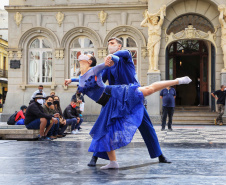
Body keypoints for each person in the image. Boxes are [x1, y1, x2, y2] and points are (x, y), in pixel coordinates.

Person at [64, 54, 192, 169]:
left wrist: (110, 58)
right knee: (104, 132)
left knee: (148, 90)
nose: (82, 55)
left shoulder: (95, 69)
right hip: (108, 104)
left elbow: (108, 64)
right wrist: (71, 80)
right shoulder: (80, 77)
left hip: (116, 94)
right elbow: (82, 80)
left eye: (86, 55)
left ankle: (177, 81)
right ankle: (113, 162)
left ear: (89, 61)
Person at [87, 37, 172, 167]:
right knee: (103, 127)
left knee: (147, 127)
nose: (110, 46)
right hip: (115, 100)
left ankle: (160, 155)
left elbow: (123, 53)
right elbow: (100, 81)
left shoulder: (126, 57)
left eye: (112, 43)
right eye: (109, 44)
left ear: (119, 46)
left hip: (133, 98)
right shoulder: (108, 66)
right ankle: (95, 157)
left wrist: (111, 55)